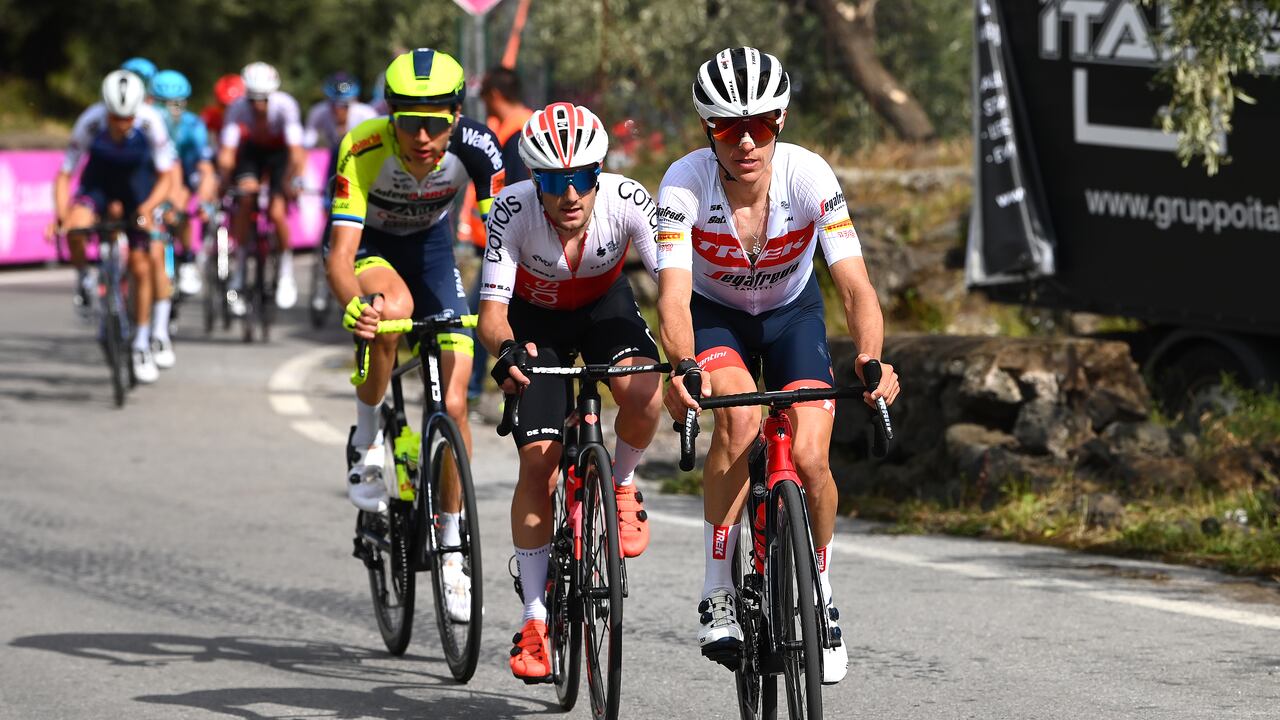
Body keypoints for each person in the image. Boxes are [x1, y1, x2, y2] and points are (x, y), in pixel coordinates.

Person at [653, 47, 900, 685]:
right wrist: (682, 364)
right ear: (707, 129)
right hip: (717, 318)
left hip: (794, 315)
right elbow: (673, 296)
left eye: (759, 125)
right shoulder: (683, 184)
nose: (744, 141)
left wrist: (872, 357)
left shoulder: (811, 177)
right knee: (736, 425)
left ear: (780, 121)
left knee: (813, 457)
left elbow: (855, 288)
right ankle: (717, 588)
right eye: (727, 128)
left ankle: (820, 592)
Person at [478, 102, 662, 680]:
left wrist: (690, 353)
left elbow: (677, 284)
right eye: (555, 182)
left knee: (641, 390)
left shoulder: (629, 200)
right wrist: (505, 352)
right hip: (536, 324)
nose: (571, 195)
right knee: (539, 462)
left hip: (605, 310)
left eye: (583, 178)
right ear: (535, 180)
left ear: (599, 173)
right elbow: (491, 314)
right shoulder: (510, 210)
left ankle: (624, 482)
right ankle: (534, 619)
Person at [328, 48, 505, 622]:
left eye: (436, 123)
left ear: (457, 115)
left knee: (454, 406)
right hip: (374, 249)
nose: (423, 137)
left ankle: (453, 552)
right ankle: (367, 433)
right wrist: (356, 305)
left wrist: (513, 306)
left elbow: (505, 238)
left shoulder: (478, 148)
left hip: (431, 252)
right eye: (410, 123)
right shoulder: (363, 145)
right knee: (392, 308)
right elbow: (340, 256)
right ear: (391, 117)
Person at [47, 70, 176, 382]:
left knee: (143, 265)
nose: (123, 124)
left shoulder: (150, 121)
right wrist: (61, 215)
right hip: (99, 184)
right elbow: (65, 174)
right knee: (75, 227)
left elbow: (167, 176)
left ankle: (143, 342)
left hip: (138, 189)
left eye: (128, 117)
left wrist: (148, 208)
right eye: (116, 118)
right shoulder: (90, 121)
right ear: (106, 110)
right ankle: (84, 279)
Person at [463, 66, 535, 404]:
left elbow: (521, 192)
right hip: (506, 243)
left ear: (494, 95)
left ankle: (471, 388)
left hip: (509, 246)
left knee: (481, 313)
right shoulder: (525, 124)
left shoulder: (518, 132)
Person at [217, 61, 305, 310]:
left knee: (276, 211)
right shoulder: (236, 108)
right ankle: (241, 266)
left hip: (280, 154)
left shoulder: (285, 106)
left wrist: (290, 182)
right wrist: (224, 180)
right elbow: (227, 152)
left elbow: (296, 153)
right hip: (253, 152)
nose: (257, 106)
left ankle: (286, 271)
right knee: (245, 199)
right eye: (253, 99)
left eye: (263, 99)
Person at [150, 69, 217, 302]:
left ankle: (187, 259)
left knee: (179, 209)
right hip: (154, 174)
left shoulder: (193, 125)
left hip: (185, 175)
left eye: (177, 104)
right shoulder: (145, 121)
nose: (171, 109)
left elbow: (206, 168)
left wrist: (205, 200)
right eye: (165, 103)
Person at [200, 73, 244, 147]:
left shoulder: (250, 121)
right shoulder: (210, 117)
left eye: (234, 106)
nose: (230, 111)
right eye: (224, 106)